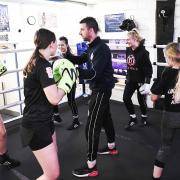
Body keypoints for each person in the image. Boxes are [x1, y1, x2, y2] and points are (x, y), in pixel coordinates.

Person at [65, 17, 118, 178]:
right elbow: (81, 60)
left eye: (82, 29)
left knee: (91, 127)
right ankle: (111, 147)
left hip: (101, 90)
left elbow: (94, 73)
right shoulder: (92, 47)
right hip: (99, 89)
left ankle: (91, 166)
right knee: (106, 118)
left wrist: (73, 72)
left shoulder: (101, 49)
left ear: (90, 30)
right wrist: (67, 54)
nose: (79, 32)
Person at [21, 28, 77, 180]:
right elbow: (54, 99)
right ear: (52, 43)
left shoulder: (35, 61)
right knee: (52, 174)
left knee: (54, 155)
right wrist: (66, 83)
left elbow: (44, 90)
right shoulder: (43, 65)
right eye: (56, 43)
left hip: (43, 119)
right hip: (36, 124)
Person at [151, 42, 180, 180]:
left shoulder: (167, 72)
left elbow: (154, 97)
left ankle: (156, 178)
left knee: (164, 147)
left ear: (169, 57)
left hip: (171, 115)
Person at [123, 29, 153, 130]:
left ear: (135, 38)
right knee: (126, 98)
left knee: (141, 101)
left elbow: (149, 68)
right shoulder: (128, 50)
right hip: (131, 79)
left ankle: (144, 117)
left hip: (141, 81)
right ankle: (133, 118)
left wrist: (147, 83)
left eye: (128, 39)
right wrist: (127, 77)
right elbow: (128, 66)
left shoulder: (144, 53)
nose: (127, 41)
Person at [52, 36, 80, 130]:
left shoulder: (70, 56)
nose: (60, 47)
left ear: (67, 45)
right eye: (59, 45)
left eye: (62, 45)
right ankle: (56, 116)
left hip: (69, 81)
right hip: (59, 80)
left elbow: (76, 64)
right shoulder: (56, 56)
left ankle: (76, 121)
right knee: (53, 97)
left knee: (71, 100)